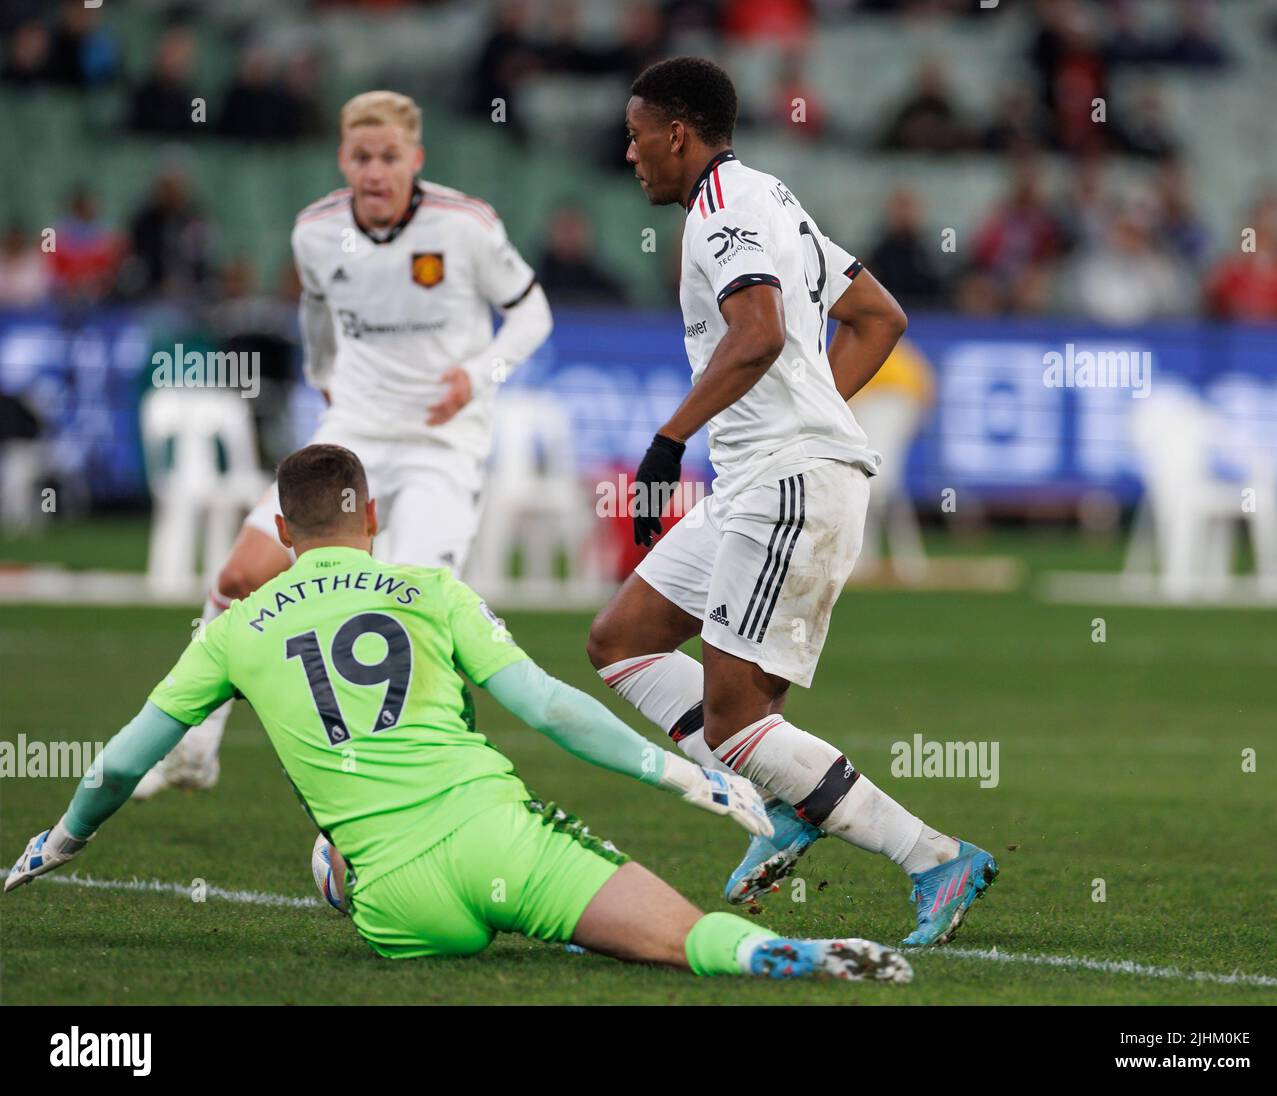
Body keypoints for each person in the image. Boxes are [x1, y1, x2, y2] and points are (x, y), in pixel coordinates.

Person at [5, 444, 912, 985]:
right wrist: (685, 774)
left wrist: (65, 839)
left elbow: (121, 764)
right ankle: (764, 957)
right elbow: (550, 708)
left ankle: (338, 866)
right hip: (496, 838)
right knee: (683, 941)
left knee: (350, 845)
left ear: (283, 535)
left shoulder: (233, 630)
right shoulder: (429, 588)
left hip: (397, 905)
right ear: (373, 517)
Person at [588, 57, 997, 948]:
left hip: (784, 482)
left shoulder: (722, 212)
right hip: (761, 475)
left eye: (635, 135)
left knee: (736, 719)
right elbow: (879, 317)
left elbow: (761, 332)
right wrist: (809, 416)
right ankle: (782, 799)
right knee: (621, 639)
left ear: (678, 134)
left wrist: (667, 444)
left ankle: (934, 856)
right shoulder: (768, 195)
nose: (629, 154)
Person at [134, 90, 554, 798]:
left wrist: (479, 377)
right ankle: (193, 750)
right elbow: (316, 312)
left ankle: (426, 784)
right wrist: (325, 375)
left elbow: (531, 312)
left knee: (406, 614)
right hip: (352, 434)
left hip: (439, 444)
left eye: (390, 157)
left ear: (415, 160)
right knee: (239, 579)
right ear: (343, 160)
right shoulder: (317, 232)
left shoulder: (465, 226)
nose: (376, 172)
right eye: (362, 157)